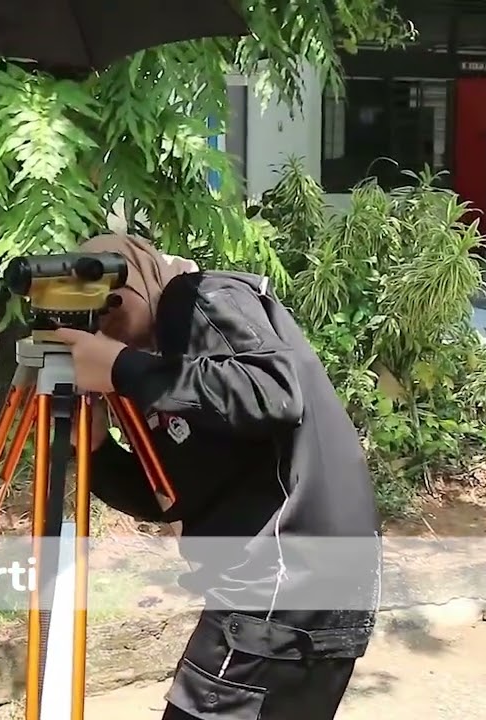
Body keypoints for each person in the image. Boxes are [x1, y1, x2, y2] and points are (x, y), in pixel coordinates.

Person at [52, 233, 380, 720]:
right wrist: (97, 451)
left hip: (287, 577)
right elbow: (169, 495)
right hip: (306, 583)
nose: (105, 308)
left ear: (144, 268)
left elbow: (273, 393)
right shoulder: (155, 371)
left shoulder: (197, 296)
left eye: (111, 278)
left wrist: (123, 367)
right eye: (86, 301)